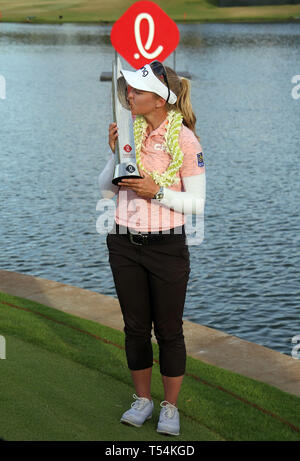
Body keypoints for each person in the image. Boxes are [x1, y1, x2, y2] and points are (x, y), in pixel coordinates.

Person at [98, 61, 206, 436]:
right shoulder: (131, 132)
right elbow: (106, 187)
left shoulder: (186, 140)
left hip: (166, 248)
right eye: (128, 90)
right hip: (124, 242)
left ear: (160, 100)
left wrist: (156, 191)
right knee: (135, 328)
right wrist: (114, 152)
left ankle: (169, 408)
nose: (129, 95)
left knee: (170, 331)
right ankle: (142, 400)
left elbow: (197, 203)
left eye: (137, 91)